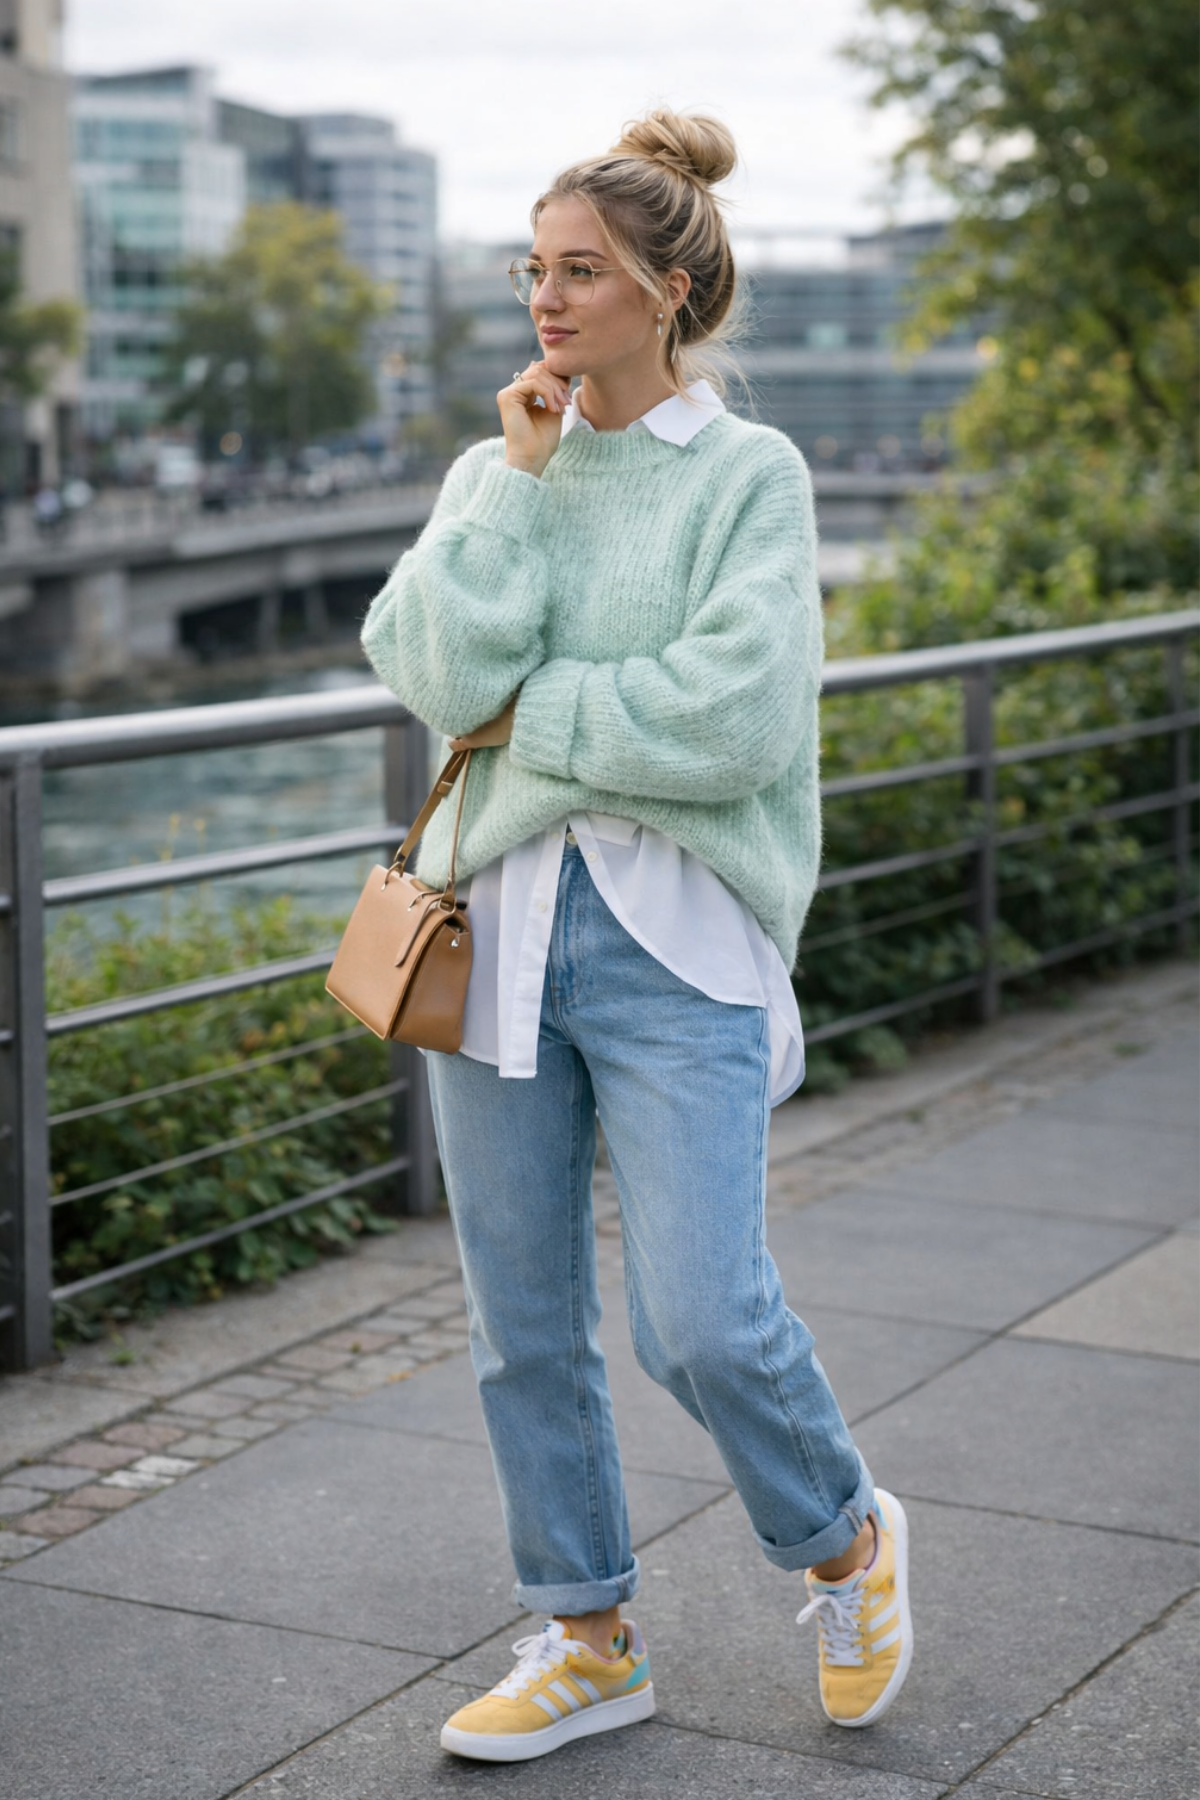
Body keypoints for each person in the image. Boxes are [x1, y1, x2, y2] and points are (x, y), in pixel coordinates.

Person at [360, 107, 913, 1766]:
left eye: (582, 272)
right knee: (520, 1321)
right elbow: (432, 668)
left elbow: (733, 724)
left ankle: (844, 1538)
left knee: (700, 1316)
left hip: (680, 946)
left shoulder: (750, 476)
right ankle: (587, 1634)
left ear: (669, 291)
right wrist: (520, 492)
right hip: (497, 936)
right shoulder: (497, 469)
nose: (547, 300)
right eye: (534, 270)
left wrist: (535, 712)